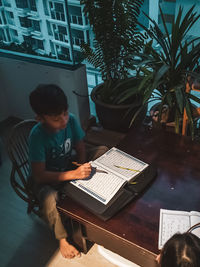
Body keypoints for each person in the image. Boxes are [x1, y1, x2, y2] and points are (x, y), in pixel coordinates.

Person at [28, 84, 107, 259]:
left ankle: (103, 189)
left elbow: (80, 147)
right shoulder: (37, 136)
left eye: (64, 113)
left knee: (102, 150)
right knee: (50, 198)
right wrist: (74, 174)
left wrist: (82, 164)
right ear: (40, 118)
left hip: (66, 164)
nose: (63, 120)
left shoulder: (70, 120)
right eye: (56, 119)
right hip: (45, 179)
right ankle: (62, 240)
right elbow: (39, 175)